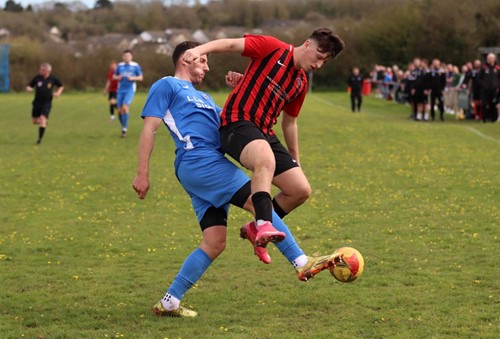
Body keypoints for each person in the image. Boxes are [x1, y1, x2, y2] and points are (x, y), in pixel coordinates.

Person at [132, 41, 345, 318]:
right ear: (186, 59)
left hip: (205, 166)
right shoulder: (166, 86)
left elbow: (232, 120)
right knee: (260, 203)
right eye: (202, 60)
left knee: (214, 242)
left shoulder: (205, 98)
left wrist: (245, 85)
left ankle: (170, 301)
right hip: (199, 162)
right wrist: (142, 172)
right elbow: (150, 128)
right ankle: (301, 261)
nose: (207, 66)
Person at [182, 28, 345, 243]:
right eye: (318, 57)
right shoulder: (272, 48)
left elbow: (290, 123)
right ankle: (263, 224)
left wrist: (296, 161)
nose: (318, 64)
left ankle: (253, 228)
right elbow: (230, 44)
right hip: (236, 124)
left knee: (300, 190)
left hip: (264, 133)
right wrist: (199, 49)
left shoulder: (300, 83)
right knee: (265, 159)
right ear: (307, 44)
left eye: (325, 61)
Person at [26, 62, 64, 145]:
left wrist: (58, 93)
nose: (40, 71)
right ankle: (44, 123)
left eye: (43, 70)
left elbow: (61, 86)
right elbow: (29, 86)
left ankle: (39, 139)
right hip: (36, 102)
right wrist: (29, 89)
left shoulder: (53, 79)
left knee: (43, 118)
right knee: (35, 121)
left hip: (47, 103)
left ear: (48, 71)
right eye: (40, 69)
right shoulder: (37, 78)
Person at [113, 49, 143, 137]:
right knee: (119, 111)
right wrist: (117, 77)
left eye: (128, 56)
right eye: (125, 56)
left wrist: (133, 78)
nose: (126, 57)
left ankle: (124, 129)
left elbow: (141, 77)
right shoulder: (120, 66)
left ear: (131, 57)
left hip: (130, 89)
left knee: (125, 107)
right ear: (123, 57)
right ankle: (123, 126)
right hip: (120, 90)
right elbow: (114, 76)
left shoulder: (135, 66)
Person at [478, 53, 500, 123]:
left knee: (493, 104)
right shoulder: (483, 68)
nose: (489, 60)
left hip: (494, 90)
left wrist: (498, 86)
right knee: (485, 104)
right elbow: (478, 78)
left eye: (491, 58)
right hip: (485, 90)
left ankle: (493, 119)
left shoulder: (497, 68)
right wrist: (483, 85)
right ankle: (484, 118)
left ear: (494, 59)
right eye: (488, 58)